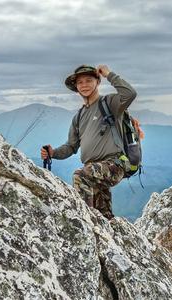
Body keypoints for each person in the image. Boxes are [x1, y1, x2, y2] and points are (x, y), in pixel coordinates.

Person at [41, 64, 137, 219]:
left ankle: (83, 222)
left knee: (80, 175)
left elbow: (130, 94)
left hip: (114, 164)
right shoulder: (78, 117)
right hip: (94, 172)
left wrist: (109, 74)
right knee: (103, 217)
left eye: (88, 80)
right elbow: (71, 146)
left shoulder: (109, 103)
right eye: (80, 82)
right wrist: (53, 153)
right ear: (76, 87)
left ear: (97, 82)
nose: (84, 85)